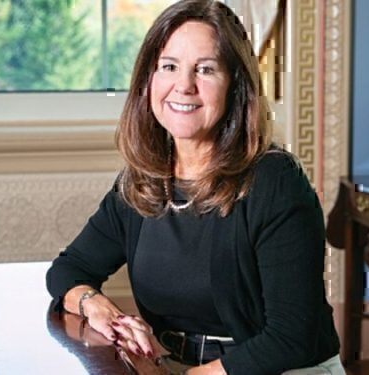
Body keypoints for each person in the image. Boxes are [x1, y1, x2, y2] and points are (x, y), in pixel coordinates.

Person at [45, 1, 343, 374]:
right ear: (148, 80)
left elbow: (291, 336)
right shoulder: (144, 180)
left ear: (235, 85)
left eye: (205, 69)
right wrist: (95, 305)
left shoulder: (275, 182)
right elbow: (68, 269)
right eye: (169, 67)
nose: (183, 85)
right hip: (179, 367)